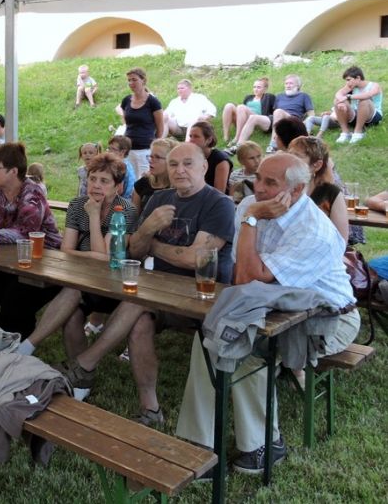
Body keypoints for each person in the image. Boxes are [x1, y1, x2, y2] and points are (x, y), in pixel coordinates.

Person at [175, 153, 359, 474]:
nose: (258, 188)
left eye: (270, 183)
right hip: (273, 306)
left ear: (297, 190)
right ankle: (198, 446)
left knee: (248, 347)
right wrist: (252, 216)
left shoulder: (312, 230)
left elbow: (246, 279)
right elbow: (242, 278)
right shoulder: (251, 206)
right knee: (208, 336)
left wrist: (252, 219)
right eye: (257, 177)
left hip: (328, 317)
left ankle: (263, 446)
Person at [56, 143, 234, 424]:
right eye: (173, 164)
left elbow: (195, 259)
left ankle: (85, 363)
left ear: (204, 167)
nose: (180, 170)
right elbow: (136, 252)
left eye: (188, 163)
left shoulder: (219, 203)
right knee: (139, 318)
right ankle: (151, 409)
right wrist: (149, 228)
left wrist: (154, 245)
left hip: (202, 297)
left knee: (137, 298)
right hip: (157, 291)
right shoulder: (159, 198)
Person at [16, 154, 137, 362]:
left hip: (112, 282)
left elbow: (107, 258)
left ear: (118, 186)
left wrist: (93, 216)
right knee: (69, 313)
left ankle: (27, 346)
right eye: (92, 178)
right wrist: (93, 255)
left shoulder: (125, 210)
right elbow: (66, 250)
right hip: (78, 275)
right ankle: (78, 371)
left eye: (104, 181)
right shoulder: (77, 204)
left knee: (72, 290)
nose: (96, 185)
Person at [0, 142, 63, 338]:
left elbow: (26, 233)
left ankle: (8, 346)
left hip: (43, 261)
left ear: (13, 171)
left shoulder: (32, 193)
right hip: (8, 259)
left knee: (15, 298)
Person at [287, 136, 349, 242]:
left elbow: (341, 240)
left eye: (297, 156)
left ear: (317, 165)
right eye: (289, 155)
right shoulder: (280, 188)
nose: (289, 160)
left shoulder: (331, 193)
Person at [119, 67, 163, 177]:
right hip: (128, 148)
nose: (131, 83)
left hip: (145, 149)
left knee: (143, 180)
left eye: (134, 79)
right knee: (129, 178)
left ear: (143, 80)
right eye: (129, 80)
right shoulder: (126, 100)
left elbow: (160, 127)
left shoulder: (153, 102)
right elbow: (126, 122)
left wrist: (155, 146)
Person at [333, 66, 382, 144]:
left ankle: (357, 133)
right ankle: (345, 133)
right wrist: (342, 103)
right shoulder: (351, 86)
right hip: (355, 115)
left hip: (372, 116)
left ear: (358, 78)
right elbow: (338, 94)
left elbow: (368, 95)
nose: (347, 83)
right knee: (337, 100)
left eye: (349, 80)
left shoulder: (375, 85)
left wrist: (348, 97)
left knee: (364, 100)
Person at [222, 77, 276, 147]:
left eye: (258, 87)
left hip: (256, 118)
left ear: (265, 89)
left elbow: (274, 110)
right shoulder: (248, 97)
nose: (255, 89)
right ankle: (226, 137)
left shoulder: (269, 97)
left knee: (241, 107)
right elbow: (240, 112)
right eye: (254, 87)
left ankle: (237, 137)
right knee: (229, 106)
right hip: (244, 118)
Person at [268, 75, 314, 153]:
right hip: (277, 119)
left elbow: (311, 114)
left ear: (298, 85)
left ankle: (272, 144)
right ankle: (243, 144)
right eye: (286, 83)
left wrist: (304, 124)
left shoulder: (304, 96)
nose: (288, 86)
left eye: (291, 83)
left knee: (278, 111)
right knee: (253, 118)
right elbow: (274, 113)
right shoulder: (279, 96)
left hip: (293, 120)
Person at [131, 137, 177, 213]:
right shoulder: (143, 183)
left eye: (157, 157)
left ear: (171, 161)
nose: (150, 161)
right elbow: (133, 216)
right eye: (151, 156)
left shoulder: (178, 189)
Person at [187, 121, 231, 194]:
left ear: (209, 140)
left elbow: (219, 193)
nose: (191, 140)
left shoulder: (220, 160)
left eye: (196, 136)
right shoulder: (190, 156)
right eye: (190, 136)